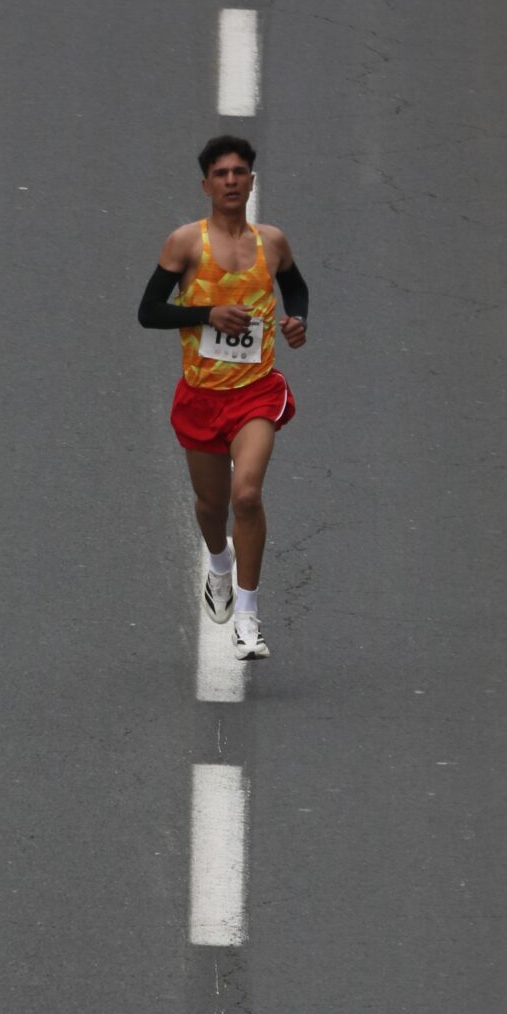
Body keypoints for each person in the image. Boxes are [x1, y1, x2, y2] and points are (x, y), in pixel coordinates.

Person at [138, 135, 309, 659]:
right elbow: (149, 311)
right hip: (201, 396)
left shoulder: (272, 242)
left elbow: (295, 287)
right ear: (207, 185)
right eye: (222, 173)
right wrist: (205, 313)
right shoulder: (186, 244)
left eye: (240, 172)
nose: (232, 180)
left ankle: (250, 621)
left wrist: (299, 319)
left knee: (247, 496)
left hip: (256, 392)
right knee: (213, 506)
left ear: (252, 181)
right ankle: (218, 565)